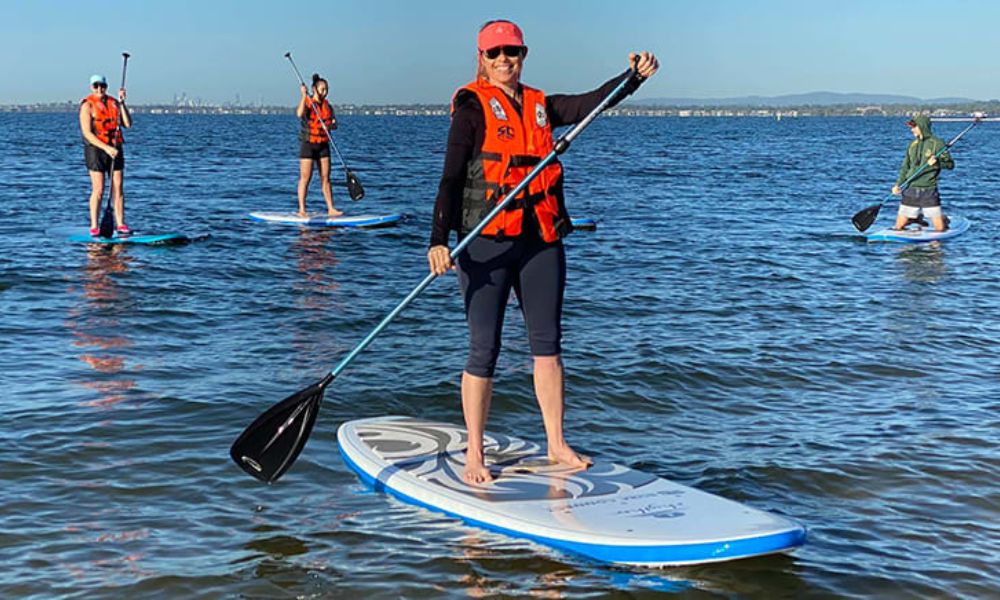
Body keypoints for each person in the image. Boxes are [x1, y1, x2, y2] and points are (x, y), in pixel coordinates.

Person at [427, 19, 658, 484]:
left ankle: (556, 443)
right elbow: (451, 179)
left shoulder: (540, 105)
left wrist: (629, 78)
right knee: (483, 351)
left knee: (548, 349)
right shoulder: (472, 109)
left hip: (540, 242)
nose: (504, 60)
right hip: (485, 244)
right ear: (481, 59)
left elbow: (591, 103)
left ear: (524, 55)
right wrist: (438, 239)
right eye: (495, 54)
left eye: (512, 51)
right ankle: (475, 453)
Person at [79, 74, 131, 236]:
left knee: (118, 187)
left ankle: (121, 224)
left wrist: (122, 103)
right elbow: (87, 133)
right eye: (96, 86)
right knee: (99, 189)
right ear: (91, 87)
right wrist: (106, 149)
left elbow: (127, 124)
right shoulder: (87, 106)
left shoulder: (113, 103)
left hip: (115, 148)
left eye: (102, 86)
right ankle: (94, 225)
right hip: (96, 149)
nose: (100, 89)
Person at [892, 115, 954, 231]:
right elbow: (905, 167)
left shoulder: (937, 143)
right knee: (898, 227)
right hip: (910, 190)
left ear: (922, 127)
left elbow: (950, 165)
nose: (912, 130)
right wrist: (898, 184)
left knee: (939, 229)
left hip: (929, 190)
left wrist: (936, 163)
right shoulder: (912, 145)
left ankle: (942, 219)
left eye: (914, 127)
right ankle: (915, 219)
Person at [296, 73, 342, 217]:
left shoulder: (327, 106)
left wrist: (331, 125)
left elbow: (334, 124)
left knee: (326, 178)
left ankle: (331, 208)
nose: (325, 92)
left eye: (326, 89)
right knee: (306, 177)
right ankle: (302, 209)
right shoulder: (308, 102)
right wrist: (303, 96)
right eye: (322, 89)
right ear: (315, 89)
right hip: (308, 144)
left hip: (323, 145)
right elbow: (299, 113)